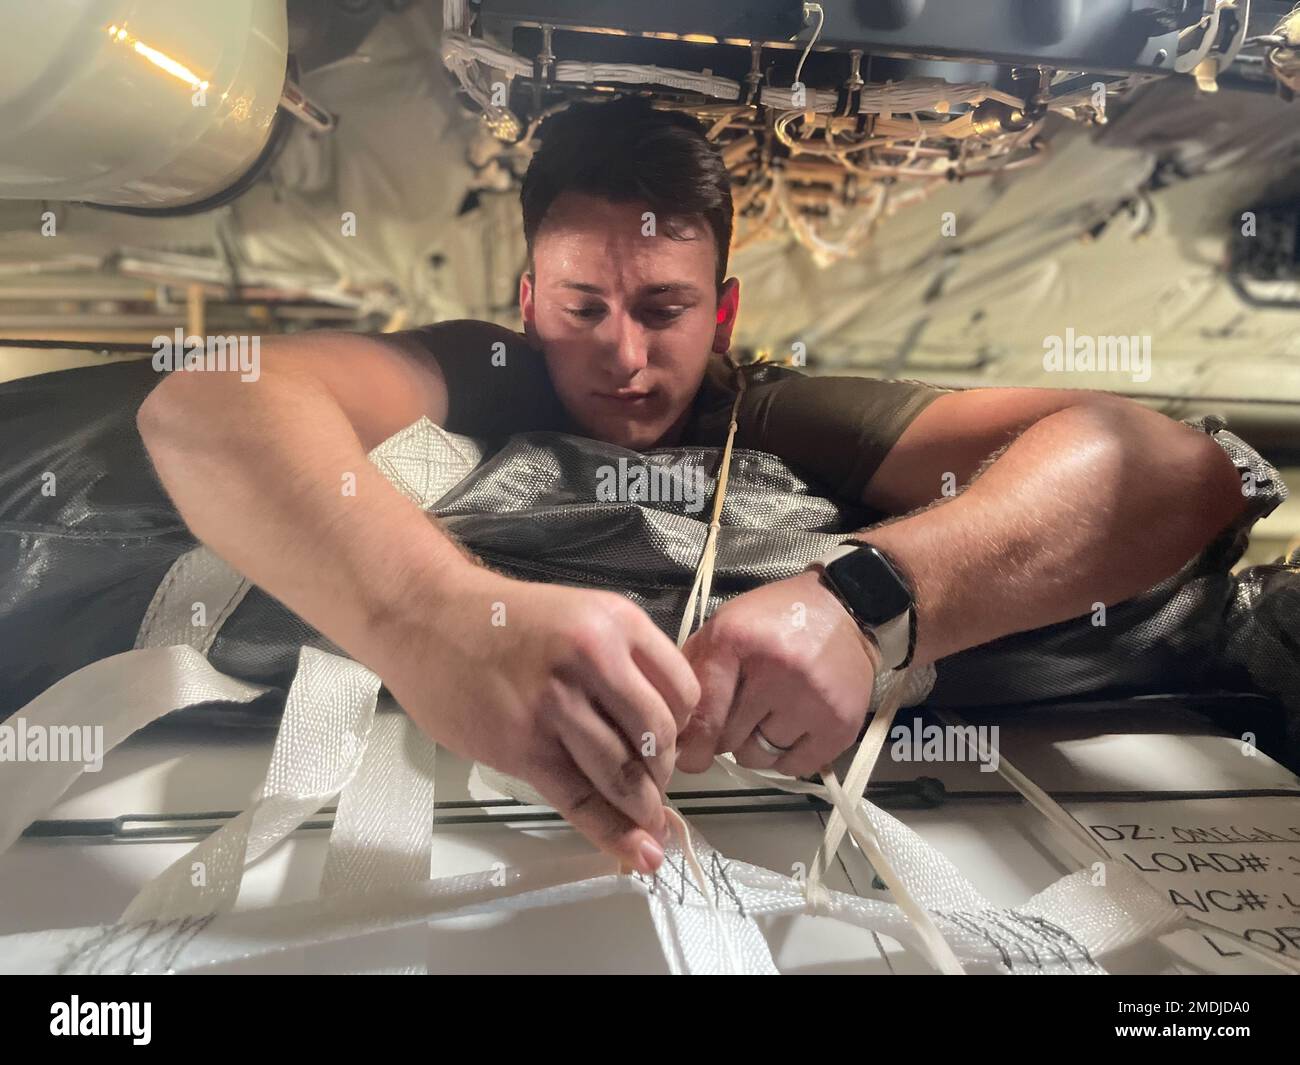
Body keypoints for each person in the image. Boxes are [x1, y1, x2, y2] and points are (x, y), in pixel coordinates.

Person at [136, 97, 1246, 875]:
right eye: (581, 309)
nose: (622, 355)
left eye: (663, 310)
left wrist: (866, 606)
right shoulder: (476, 369)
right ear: (526, 303)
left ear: (721, 314)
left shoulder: (770, 410)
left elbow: (1165, 466)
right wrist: (429, 621)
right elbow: (210, 399)